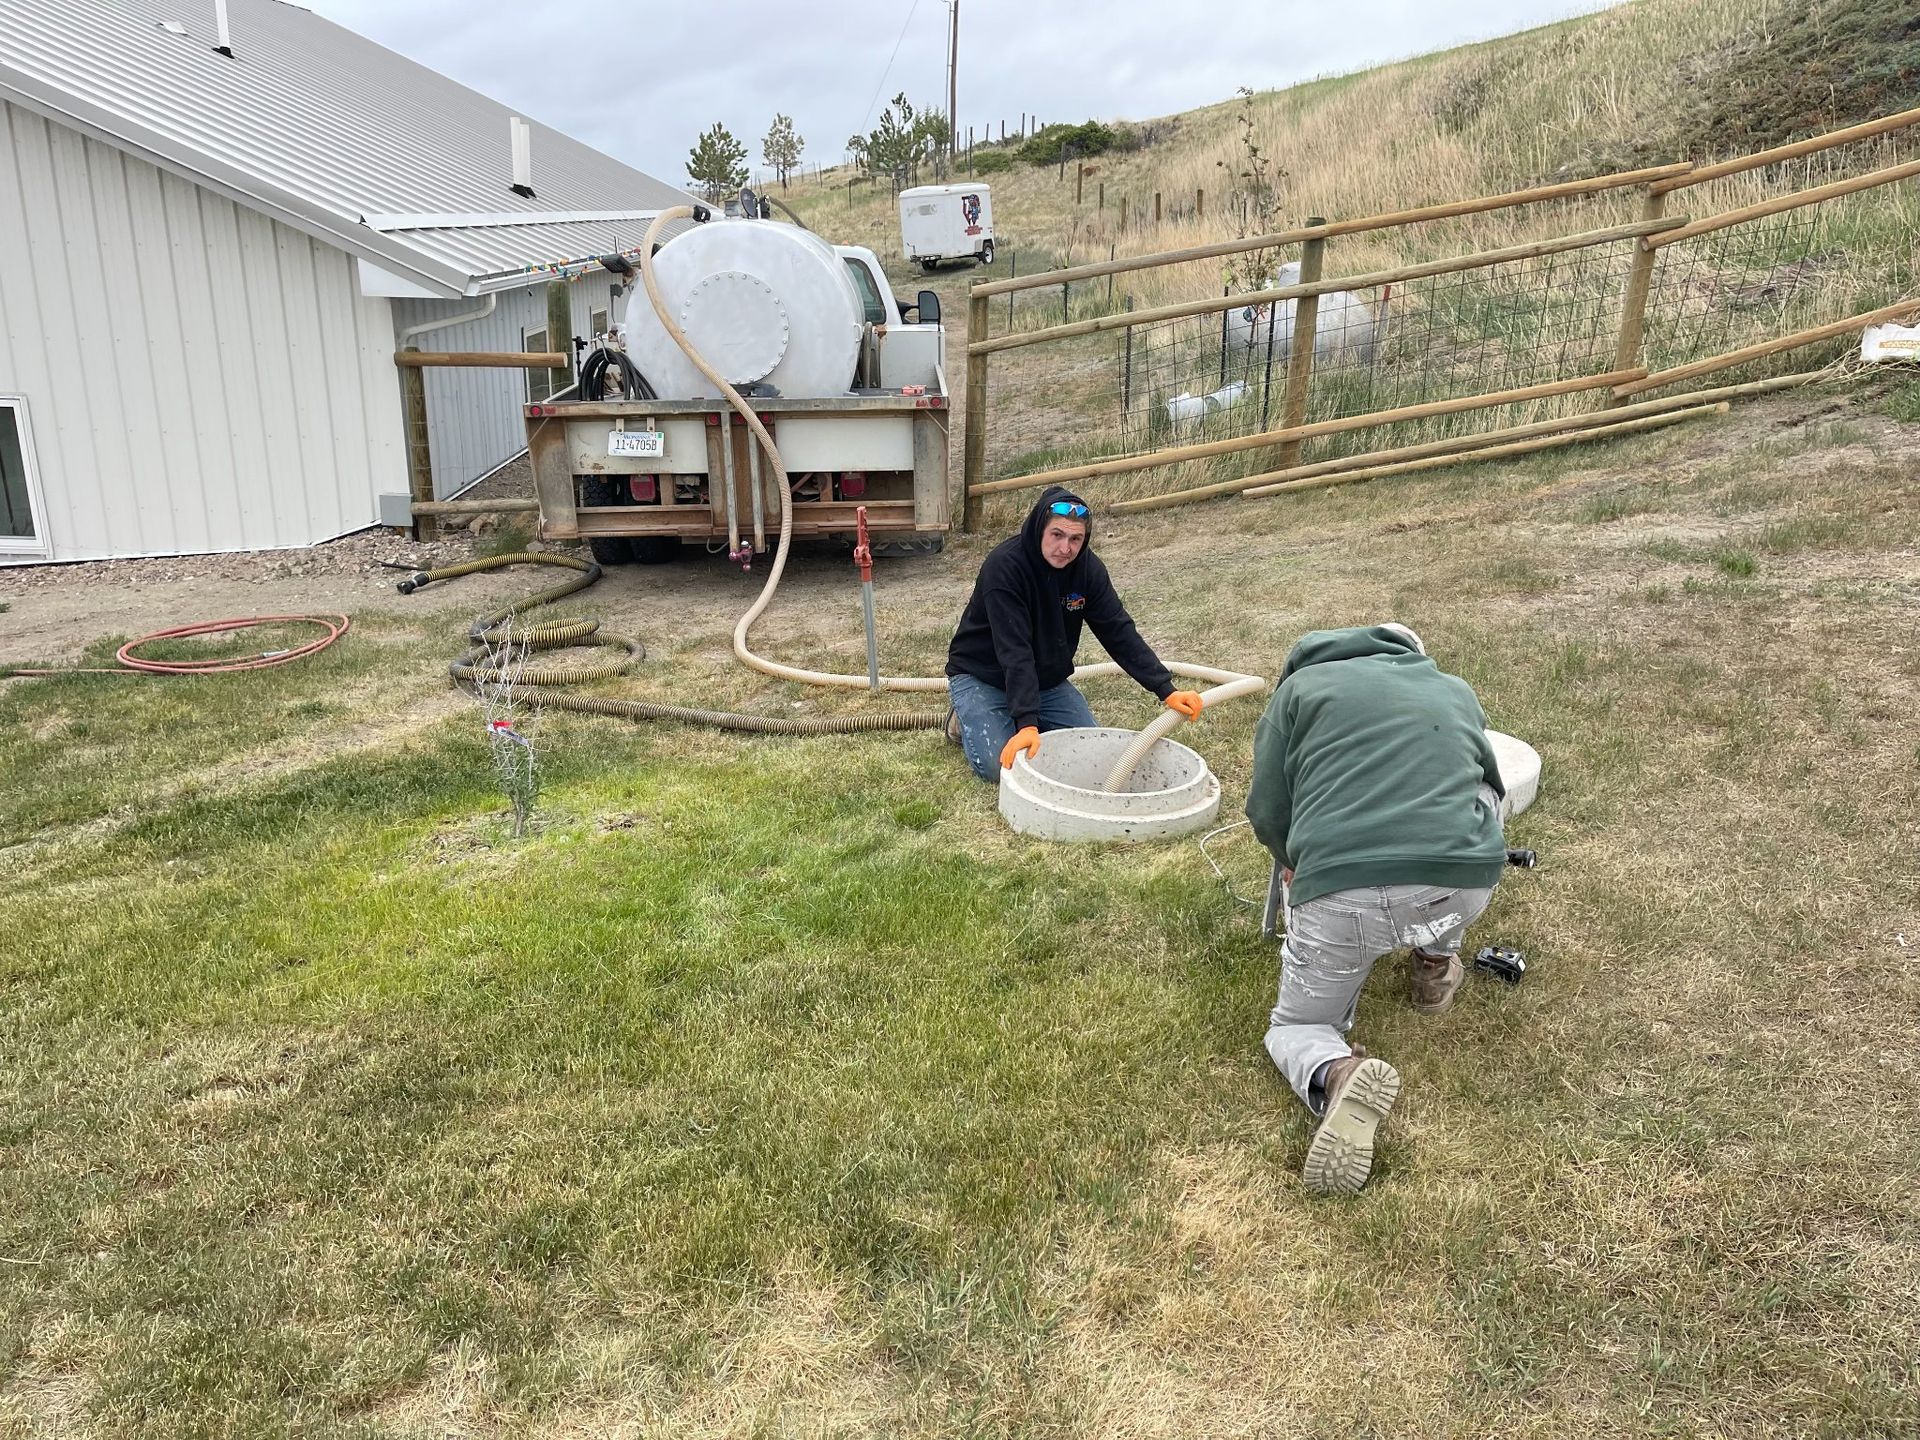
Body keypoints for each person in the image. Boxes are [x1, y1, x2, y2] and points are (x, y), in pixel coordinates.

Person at [1244, 623, 1508, 1196]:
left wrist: (1293, 862)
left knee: (1300, 1025)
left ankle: (1339, 1072)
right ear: (1412, 656)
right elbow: (1491, 784)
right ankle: (1435, 965)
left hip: (1342, 898)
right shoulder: (1453, 687)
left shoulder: (1299, 691)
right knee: (1483, 797)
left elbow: (1266, 807)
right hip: (1455, 888)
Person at [944, 486, 1204, 781]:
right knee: (1001, 768)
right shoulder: (1004, 567)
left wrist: (1165, 689)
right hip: (983, 675)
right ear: (1039, 529)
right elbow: (1014, 651)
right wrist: (1027, 724)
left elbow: (1117, 630)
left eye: (1075, 539)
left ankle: (1017, 714)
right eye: (1057, 535)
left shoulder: (1087, 570)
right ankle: (963, 719)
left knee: (1087, 751)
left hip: (1046, 682)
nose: (1065, 548)